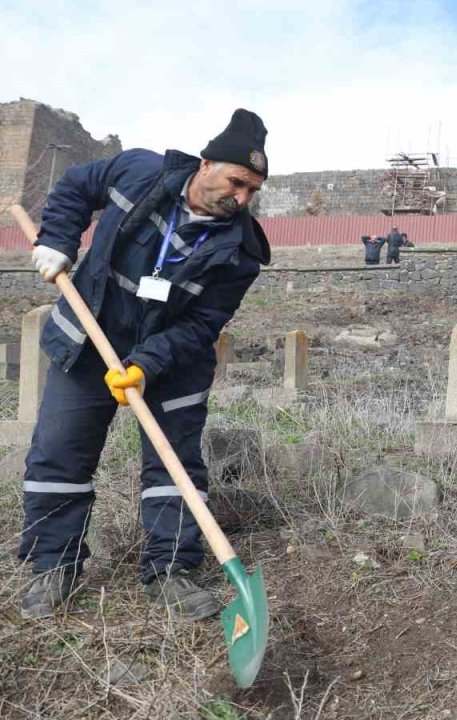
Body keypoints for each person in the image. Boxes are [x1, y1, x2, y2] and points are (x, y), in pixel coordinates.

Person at [19, 109, 272, 621]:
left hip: (173, 363)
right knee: (59, 456)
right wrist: (57, 241)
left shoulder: (241, 251)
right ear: (206, 164)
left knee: (174, 468)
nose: (242, 198)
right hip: (88, 344)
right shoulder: (138, 173)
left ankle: (170, 571)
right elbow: (73, 187)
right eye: (237, 182)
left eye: (253, 191)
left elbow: (203, 324)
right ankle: (53, 566)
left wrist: (146, 363)